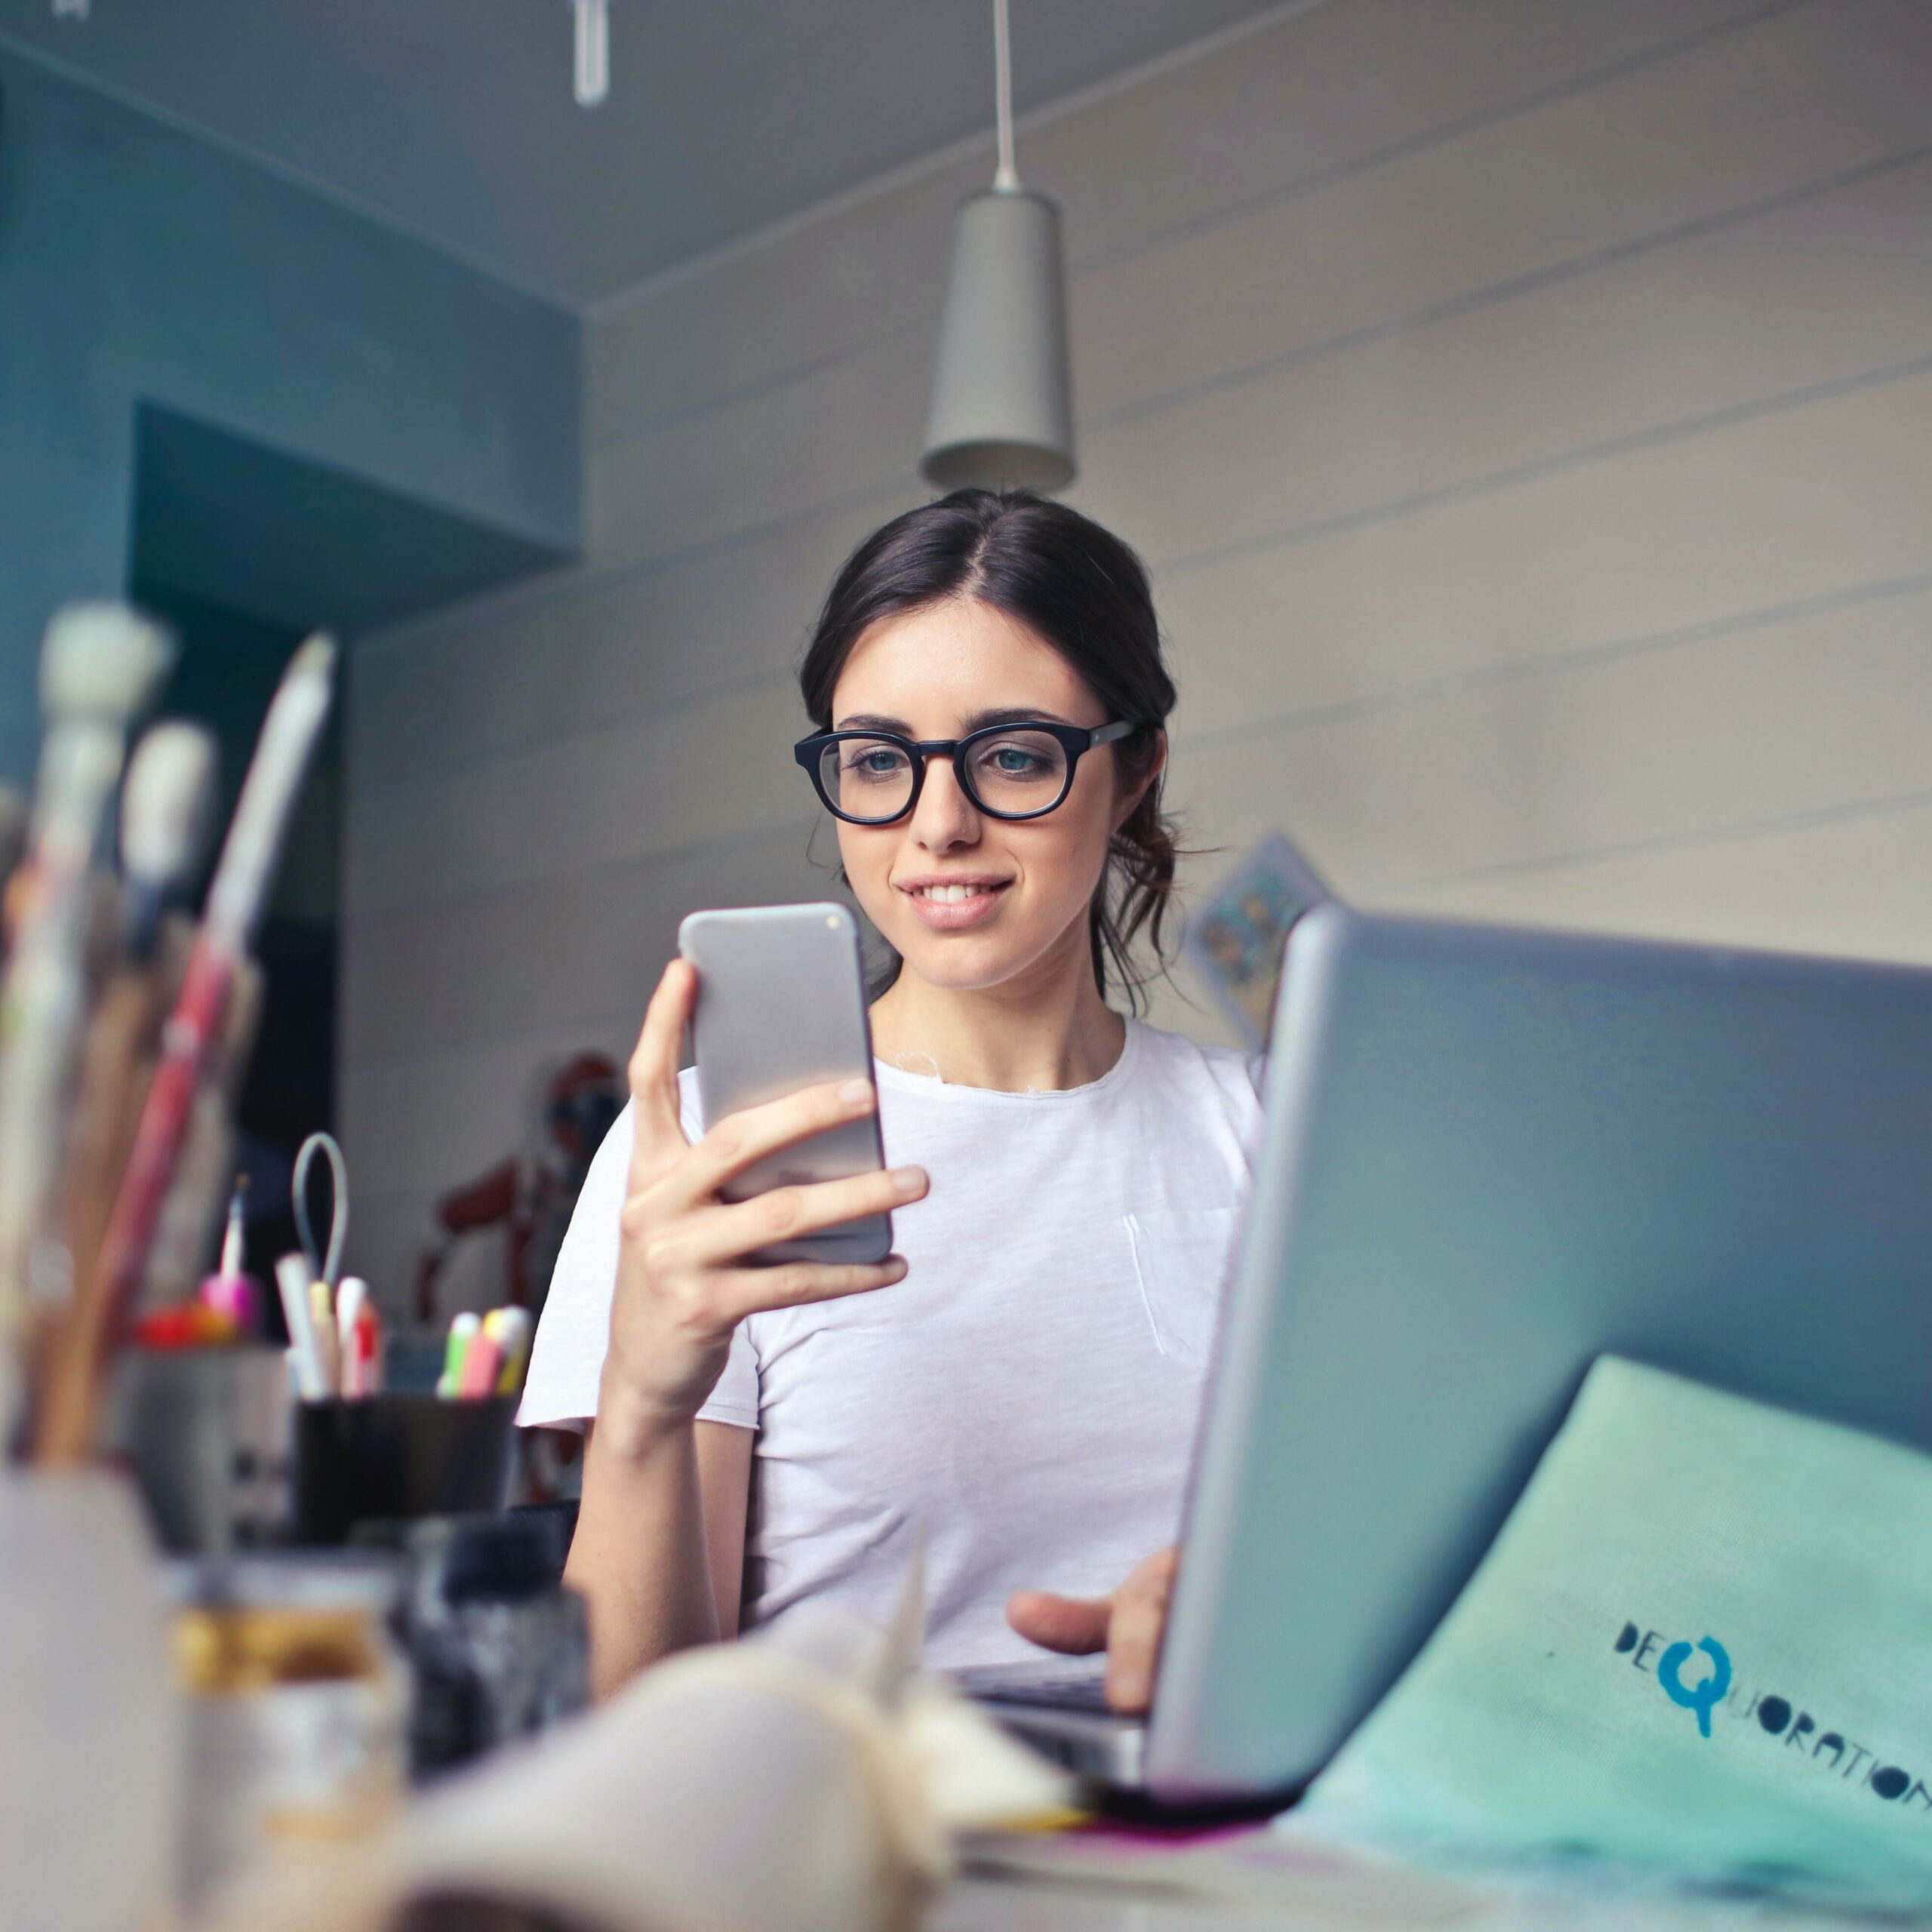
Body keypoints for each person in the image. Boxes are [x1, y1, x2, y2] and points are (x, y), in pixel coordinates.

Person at [520, 489, 1262, 1705]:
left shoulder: (1270, 1134)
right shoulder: (715, 1154)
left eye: (1013, 755)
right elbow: (634, 1723)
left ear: (1133, 773)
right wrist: (646, 1400)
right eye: (878, 762)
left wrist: (1257, 1610)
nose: (939, 825)